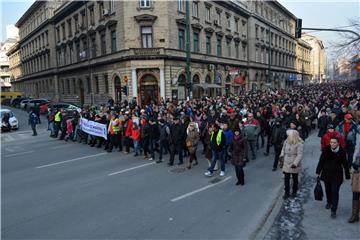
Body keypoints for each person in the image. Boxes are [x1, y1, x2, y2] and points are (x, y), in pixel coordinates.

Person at [316, 136, 350, 218]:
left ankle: (334, 210)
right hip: (326, 173)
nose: (332, 144)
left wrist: (347, 174)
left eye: (334, 142)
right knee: (328, 189)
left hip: (337, 175)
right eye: (331, 142)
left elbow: (345, 164)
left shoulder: (342, 151)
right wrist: (318, 171)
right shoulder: (326, 150)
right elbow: (321, 161)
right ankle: (329, 202)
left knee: (335, 191)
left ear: (338, 143)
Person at [280, 129, 304, 199]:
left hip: (294, 163)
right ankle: (286, 192)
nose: (287, 136)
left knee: (294, 178)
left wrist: (295, 163)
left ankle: (294, 191)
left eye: (289, 135)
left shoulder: (299, 143)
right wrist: (281, 156)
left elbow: (300, 154)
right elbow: (283, 149)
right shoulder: (286, 141)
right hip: (286, 162)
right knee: (286, 178)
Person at [348, 151, 360, 223]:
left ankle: (355, 215)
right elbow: (355, 165)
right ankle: (354, 215)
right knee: (355, 195)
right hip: (357, 178)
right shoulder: (358, 154)